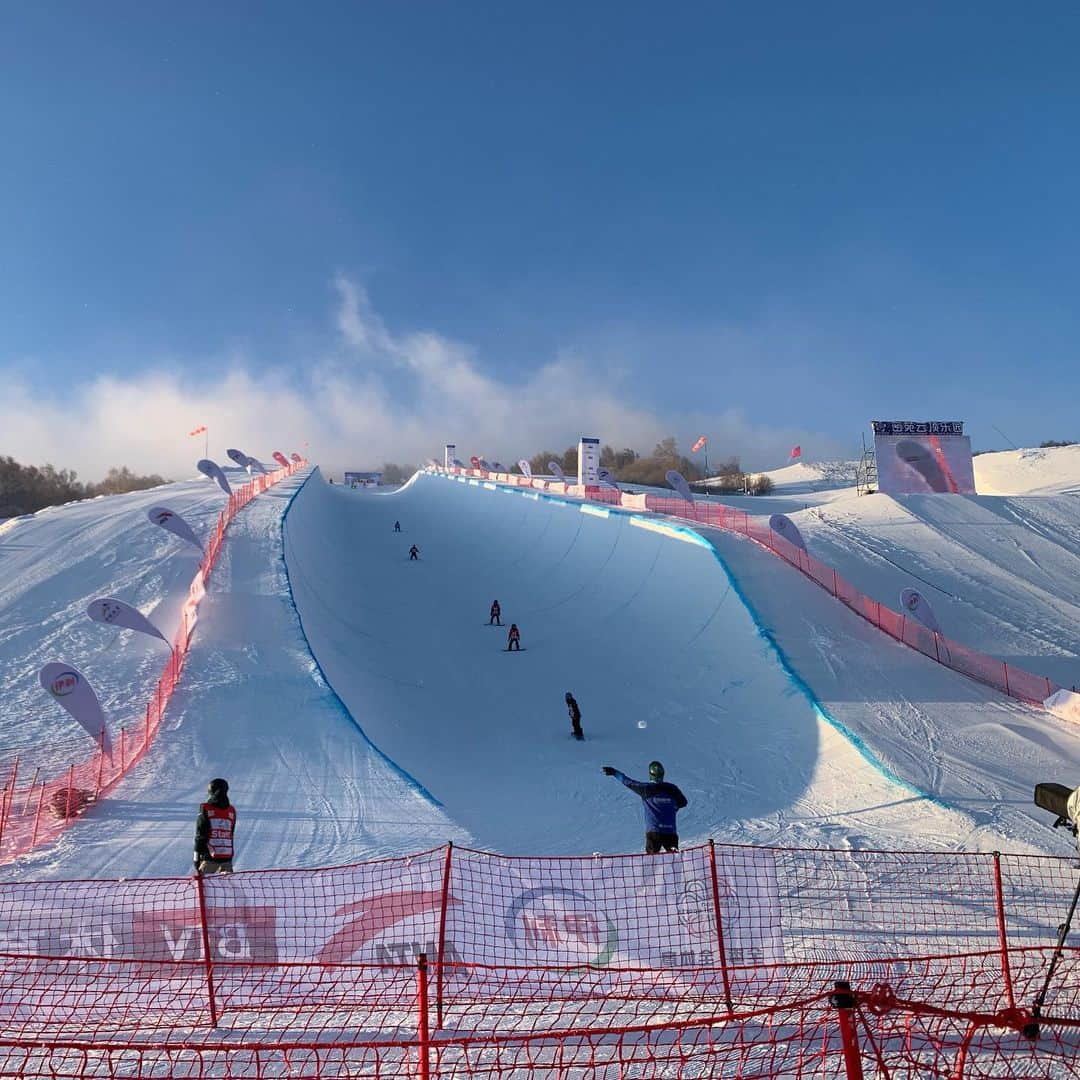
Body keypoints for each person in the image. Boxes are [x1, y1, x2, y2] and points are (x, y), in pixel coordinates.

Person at [602, 761, 687, 853]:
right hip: (670, 831)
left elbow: (628, 782)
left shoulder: (646, 789)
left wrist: (614, 772)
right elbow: (683, 802)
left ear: (650, 774)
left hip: (654, 832)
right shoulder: (672, 789)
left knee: (651, 862)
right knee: (674, 861)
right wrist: (671, 808)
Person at [194, 778, 236, 874]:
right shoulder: (231, 811)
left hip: (210, 858)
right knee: (226, 888)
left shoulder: (205, 808)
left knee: (203, 887)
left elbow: (200, 835)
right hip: (227, 858)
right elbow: (231, 834)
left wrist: (196, 858)